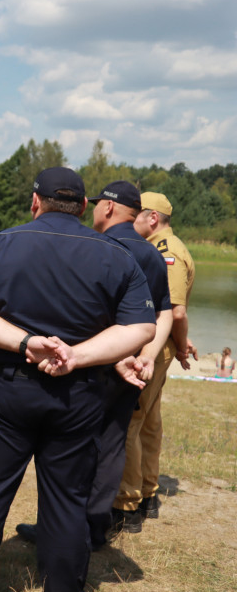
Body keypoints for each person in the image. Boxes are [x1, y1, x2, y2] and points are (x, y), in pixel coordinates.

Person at [0, 167, 155, 592]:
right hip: (80, 395)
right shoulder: (117, 255)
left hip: (10, 389)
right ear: (85, 207)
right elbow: (141, 328)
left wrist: (25, 343)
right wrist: (79, 356)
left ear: (35, 201)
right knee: (68, 501)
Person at [15, 180, 172, 550]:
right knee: (113, 444)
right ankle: (95, 529)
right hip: (131, 365)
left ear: (106, 208)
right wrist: (146, 355)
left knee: (73, 448)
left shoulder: (102, 247)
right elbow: (163, 313)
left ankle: (60, 530)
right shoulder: (151, 253)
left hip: (93, 365)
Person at [112, 192, 197, 527]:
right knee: (149, 422)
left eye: (136, 216)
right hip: (159, 349)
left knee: (132, 423)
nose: (131, 224)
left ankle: (127, 504)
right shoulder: (165, 247)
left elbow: (175, 311)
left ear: (152, 217)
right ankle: (147, 493)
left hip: (153, 350)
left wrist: (178, 345)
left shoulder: (167, 252)